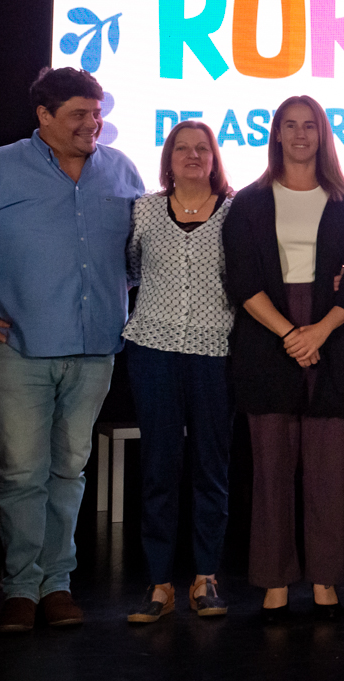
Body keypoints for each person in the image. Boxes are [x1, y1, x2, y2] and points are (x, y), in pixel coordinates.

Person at [0, 67, 144, 633]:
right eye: (79, 114)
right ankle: (20, 589)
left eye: (97, 114)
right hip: (20, 346)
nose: (92, 124)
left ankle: (56, 586)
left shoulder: (120, 169)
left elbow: (140, 253)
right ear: (44, 115)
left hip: (96, 348)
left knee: (70, 469)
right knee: (21, 472)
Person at [222, 96, 344, 621]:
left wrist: (320, 331)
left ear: (322, 135)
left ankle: (325, 577)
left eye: (309, 126)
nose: (300, 134)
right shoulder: (249, 202)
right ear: (276, 135)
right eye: (290, 125)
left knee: (328, 468)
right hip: (268, 332)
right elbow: (241, 279)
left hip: (333, 334)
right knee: (270, 468)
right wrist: (291, 333)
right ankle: (274, 578)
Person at [122, 120, 236, 623]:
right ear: (168, 159)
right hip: (152, 350)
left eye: (202, 148)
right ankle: (159, 583)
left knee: (212, 466)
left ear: (214, 158)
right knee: (159, 467)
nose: (192, 155)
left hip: (216, 350)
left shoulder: (234, 213)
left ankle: (206, 578)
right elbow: (130, 268)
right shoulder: (144, 210)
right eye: (182, 148)